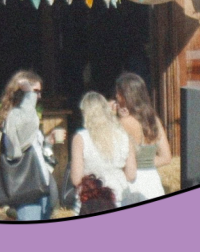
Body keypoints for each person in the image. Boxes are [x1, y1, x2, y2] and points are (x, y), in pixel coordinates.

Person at [0, 71, 58, 221]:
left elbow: (34, 151)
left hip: (40, 188)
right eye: (35, 91)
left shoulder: (27, 116)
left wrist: (47, 143)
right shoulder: (15, 117)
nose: (38, 96)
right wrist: (29, 93)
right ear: (22, 92)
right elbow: (15, 150)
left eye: (38, 92)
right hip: (27, 192)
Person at [70, 91, 137, 207]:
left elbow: (76, 179)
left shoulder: (81, 138)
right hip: (119, 197)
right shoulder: (124, 136)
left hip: (90, 199)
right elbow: (131, 174)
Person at [114, 73, 172, 203]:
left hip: (131, 183)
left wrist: (114, 118)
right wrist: (146, 162)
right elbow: (166, 157)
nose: (116, 96)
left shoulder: (124, 122)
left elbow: (112, 156)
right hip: (153, 181)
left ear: (126, 95)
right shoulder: (154, 120)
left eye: (118, 93)